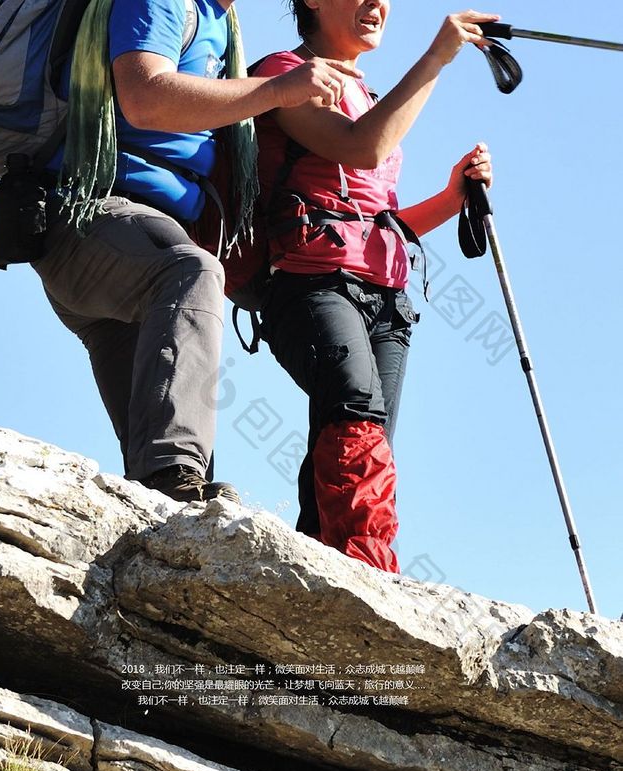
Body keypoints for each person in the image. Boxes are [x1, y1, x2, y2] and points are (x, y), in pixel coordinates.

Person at [30, 0, 362, 503]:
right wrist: (277, 91)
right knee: (194, 272)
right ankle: (173, 478)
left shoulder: (221, 23)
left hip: (141, 248)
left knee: (159, 474)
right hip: (92, 218)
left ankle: (169, 505)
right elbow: (146, 99)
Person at [252, 1, 496, 571]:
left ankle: (315, 571)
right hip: (308, 282)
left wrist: (452, 196)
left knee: (361, 435)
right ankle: (366, 571)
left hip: (386, 296)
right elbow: (365, 147)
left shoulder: (366, 93)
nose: (376, 4)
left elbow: (377, 219)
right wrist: (439, 55)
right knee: (354, 412)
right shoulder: (282, 75)